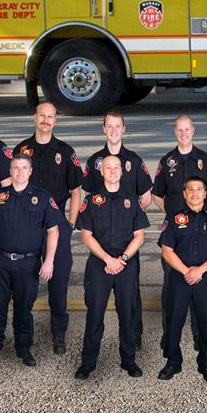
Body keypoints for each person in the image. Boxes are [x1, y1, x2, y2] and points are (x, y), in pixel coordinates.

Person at [11, 103, 86, 357]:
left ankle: (58, 332)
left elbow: (76, 190)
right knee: (25, 282)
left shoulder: (65, 152)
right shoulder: (22, 150)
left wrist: (71, 223)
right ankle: (24, 334)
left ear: (55, 120)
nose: (45, 120)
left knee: (58, 282)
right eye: (41, 115)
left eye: (50, 116)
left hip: (57, 225)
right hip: (26, 228)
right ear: (35, 118)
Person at [0, 153, 63, 369]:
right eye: (16, 167)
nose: (20, 171)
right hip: (0, 261)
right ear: (10, 170)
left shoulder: (42, 198)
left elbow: (53, 231)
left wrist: (49, 260)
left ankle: (23, 347)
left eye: (24, 167)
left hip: (28, 263)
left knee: (24, 307)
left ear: (30, 171)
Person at [73, 150, 149, 381]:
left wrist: (123, 259)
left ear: (122, 172)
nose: (113, 171)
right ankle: (88, 363)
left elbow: (140, 235)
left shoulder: (132, 200)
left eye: (116, 167)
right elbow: (86, 235)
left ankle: (129, 361)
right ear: (102, 171)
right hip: (100, 263)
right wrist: (108, 259)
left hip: (126, 263)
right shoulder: (91, 201)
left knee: (127, 314)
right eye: (108, 168)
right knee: (95, 314)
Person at [157, 178, 207, 383]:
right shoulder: (173, 219)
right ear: (184, 194)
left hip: (204, 278)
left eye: (199, 189)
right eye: (191, 189)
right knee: (173, 322)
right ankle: (173, 362)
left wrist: (199, 271)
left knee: (206, 322)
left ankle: (206, 364)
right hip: (179, 278)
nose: (195, 193)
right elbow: (167, 251)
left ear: (206, 193)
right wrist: (186, 271)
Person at [149, 113, 207, 214]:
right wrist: (171, 216)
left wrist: (202, 213)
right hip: (175, 226)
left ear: (193, 130)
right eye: (180, 130)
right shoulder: (166, 162)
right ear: (175, 132)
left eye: (187, 129)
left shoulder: (205, 159)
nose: (184, 134)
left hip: (199, 224)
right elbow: (157, 196)